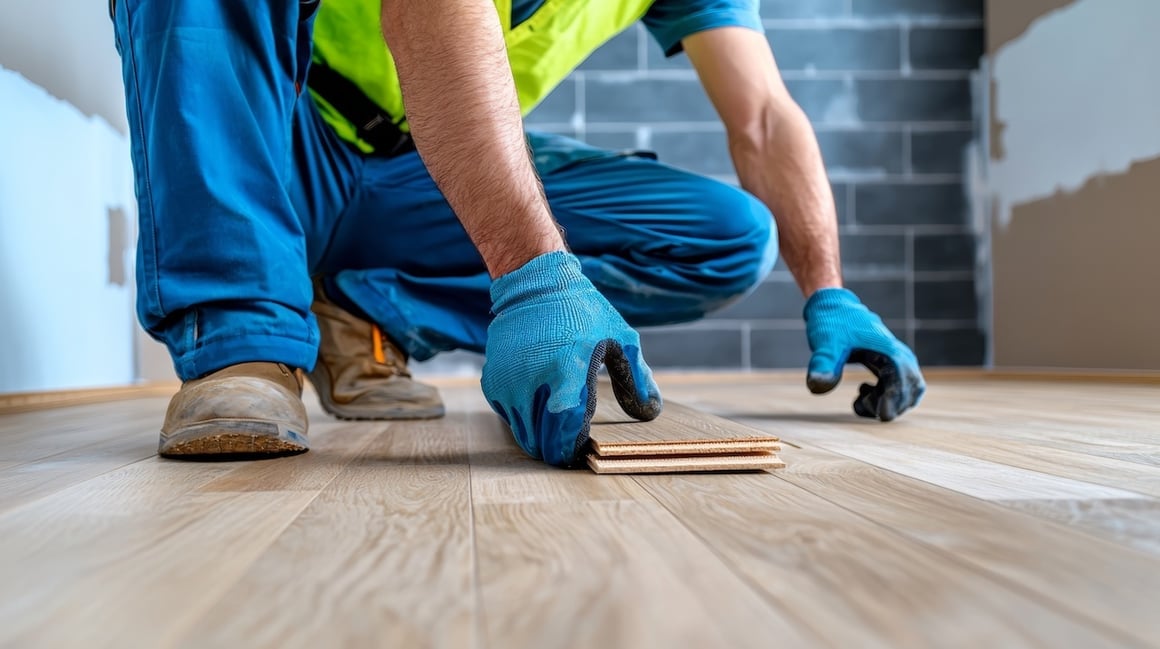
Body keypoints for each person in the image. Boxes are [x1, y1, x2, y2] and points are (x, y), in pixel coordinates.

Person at [109, 0, 925, 468]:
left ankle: (359, 307)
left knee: (727, 234)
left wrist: (829, 286)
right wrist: (534, 272)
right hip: (283, 141)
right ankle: (243, 342)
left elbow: (765, 116)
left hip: (428, 171)